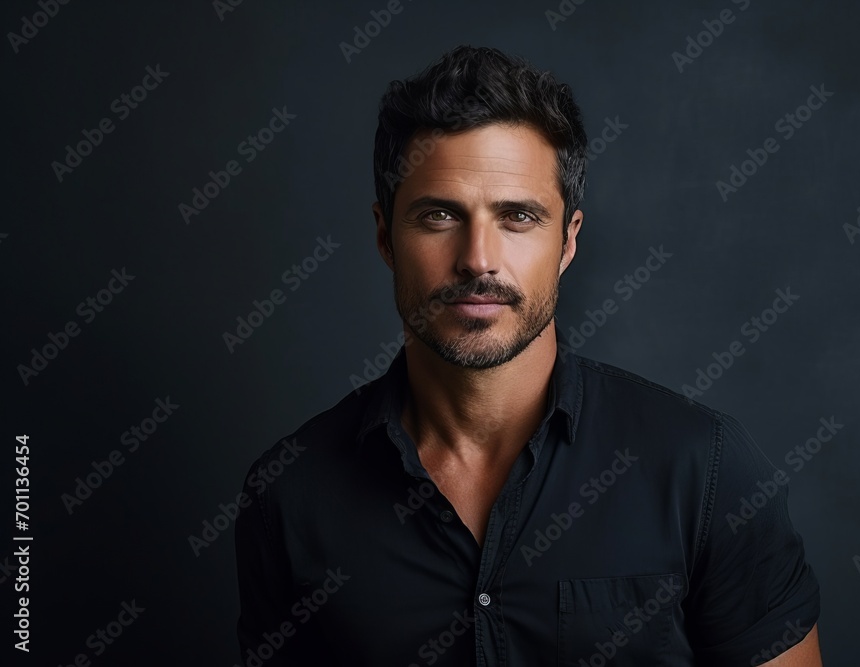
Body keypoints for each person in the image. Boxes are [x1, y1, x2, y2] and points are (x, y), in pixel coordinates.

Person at [235, 44, 823, 666]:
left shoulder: (704, 471)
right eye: (438, 216)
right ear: (385, 237)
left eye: (517, 217)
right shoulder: (290, 495)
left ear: (567, 241)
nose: (478, 258)